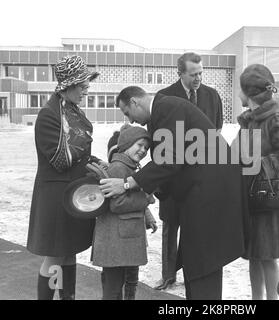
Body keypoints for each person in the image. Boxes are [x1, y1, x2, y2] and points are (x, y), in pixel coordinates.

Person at [99, 86, 248, 300]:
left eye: (127, 113)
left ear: (134, 102)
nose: (130, 120)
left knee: (203, 261)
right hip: (201, 191)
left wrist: (127, 184)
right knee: (197, 259)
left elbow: (169, 160)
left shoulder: (167, 108)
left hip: (209, 192)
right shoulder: (163, 110)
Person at [27, 55, 101, 300]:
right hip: (56, 197)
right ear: (68, 86)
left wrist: (98, 162)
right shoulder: (49, 114)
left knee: (69, 253)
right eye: (82, 86)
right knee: (55, 256)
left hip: (72, 195)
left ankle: (67, 298)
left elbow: (79, 152)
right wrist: (86, 139)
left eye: (86, 85)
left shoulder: (71, 110)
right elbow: (62, 159)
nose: (85, 91)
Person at [235, 64, 279, 300]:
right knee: (255, 257)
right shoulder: (249, 121)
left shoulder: (275, 119)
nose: (238, 93)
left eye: (240, 88)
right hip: (255, 201)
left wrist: (260, 166)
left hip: (271, 201)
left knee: (267, 259)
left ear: (249, 92)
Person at [154, 52, 224, 290]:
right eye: (193, 74)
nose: (198, 78)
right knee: (170, 226)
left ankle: (193, 273)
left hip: (201, 178)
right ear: (180, 73)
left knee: (197, 228)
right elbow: (160, 139)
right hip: (173, 176)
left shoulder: (212, 96)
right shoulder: (164, 97)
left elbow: (216, 132)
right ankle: (168, 274)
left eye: (201, 73)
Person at [92, 125, 157, 300]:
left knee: (128, 281)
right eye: (140, 145)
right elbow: (117, 204)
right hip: (116, 241)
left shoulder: (130, 166)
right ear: (127, 144)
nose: (143, 150)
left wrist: (147, 216)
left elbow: (131, 197)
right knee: (113, 288)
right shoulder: (119, 168)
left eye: (146, 148)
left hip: (125, 239)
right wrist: (146, 197)